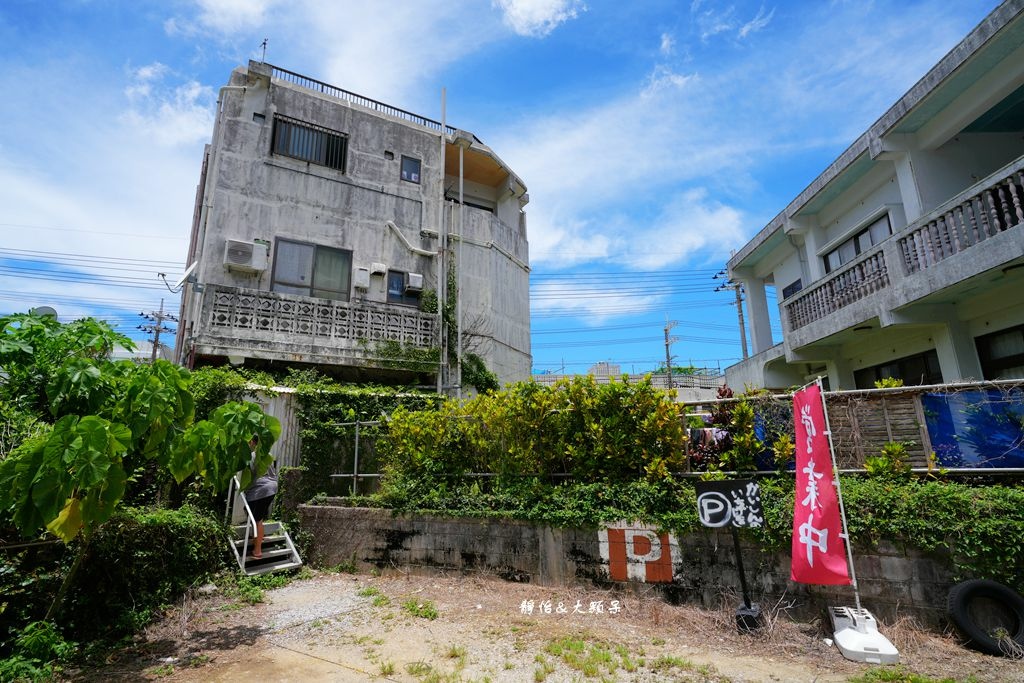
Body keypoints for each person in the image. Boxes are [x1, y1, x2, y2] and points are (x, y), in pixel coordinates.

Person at [243, 437, 278, 559]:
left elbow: (248, 475)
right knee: (259, 517)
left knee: (255, 519)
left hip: (259, 489)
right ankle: (260, 537)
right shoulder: (267, 454)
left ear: (252, 442)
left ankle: (257, 551)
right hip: (272, 487)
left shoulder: (251, 456)